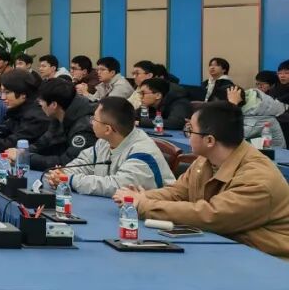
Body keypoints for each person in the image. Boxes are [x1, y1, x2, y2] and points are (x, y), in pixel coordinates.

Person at [117, 103, 289, 259]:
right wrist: (138, 198)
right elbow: (177, 192)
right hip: (230, 249)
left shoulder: (258, 178)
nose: (187, 135)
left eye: (190, 130)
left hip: (268, 261)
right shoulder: (205, 160)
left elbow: (211, 215)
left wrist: (143, 205)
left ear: (209, 140)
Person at [43, 97, 172, 198]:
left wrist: (70, 180)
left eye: (94, 119)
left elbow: (116, 186)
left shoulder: (143, 152)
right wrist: (62, 174)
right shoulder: (105, 141)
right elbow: (83, 163)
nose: (91, 122)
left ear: (108, 129)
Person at [0, 69, 49, 152]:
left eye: (7, 92)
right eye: (1, 92)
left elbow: (11, 143)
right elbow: (6, 130)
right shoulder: (18, 110)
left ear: (23, 94)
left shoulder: (36, 117)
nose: (2, 97)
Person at [24, 77, 95, 171]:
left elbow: (67, 163)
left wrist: (26, 159)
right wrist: (23, 152)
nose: (39, 104)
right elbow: (43, 142)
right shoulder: (60, 114)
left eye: (41, 101)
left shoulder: (84, 128)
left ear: (54, 105)